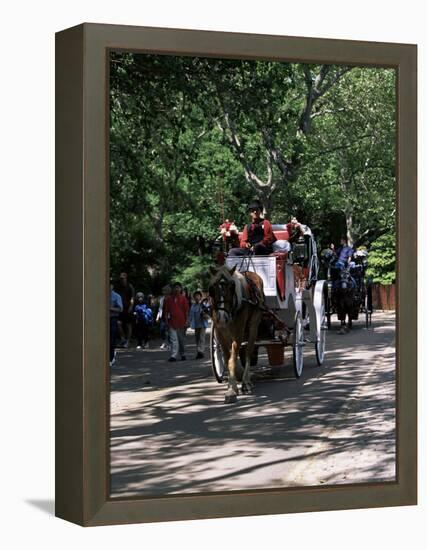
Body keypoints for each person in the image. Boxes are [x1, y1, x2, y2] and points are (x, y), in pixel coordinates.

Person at [163, 282, 189, 362]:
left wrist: (187, 321)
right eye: (175, 287)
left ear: (181, 289)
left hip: (181, 322)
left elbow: (186, 311)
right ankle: (173, 355)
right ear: (173, 289)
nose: (177, 289)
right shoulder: (168, 299)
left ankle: (183, 354)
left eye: (178, 287)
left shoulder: (183, 298)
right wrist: (166, 321)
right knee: (174, 340)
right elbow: (166, 311)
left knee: (181, 340)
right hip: (172, 322)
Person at [115, 272, 135, 348]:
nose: (121, 279)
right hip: (120, 308)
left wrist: (131, 306)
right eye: (120, 278)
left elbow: (132, 298)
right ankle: (123, 338)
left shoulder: (130, 286)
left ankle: (128, 341)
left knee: (128, 324)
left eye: (123, 278)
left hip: (128, 308)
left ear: (126, 278)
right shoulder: (118, 286)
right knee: (118, 323)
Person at [189, 291, 209, 359]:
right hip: (196, 325)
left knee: (201, 338)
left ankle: (201, 351)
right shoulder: (193, 306)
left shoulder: (203, 305)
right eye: (195, 296)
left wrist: (204, 314)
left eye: (198, 296)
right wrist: (188, 322)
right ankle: (199, 351)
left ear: (200, 297)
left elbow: (207, 313)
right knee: (197, 339)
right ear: (194, 298)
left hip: (203, 324)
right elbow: (191, 315)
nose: (197, 297)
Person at [109, 281, 123, 367]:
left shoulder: (116, 296)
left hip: (112, 318)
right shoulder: (100, 294)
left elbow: (120, 309)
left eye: (109, 285)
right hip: (102, 319)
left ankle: (110, 358)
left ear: (112, 286)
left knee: (111, 338)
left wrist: (110, 308)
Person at [156, 285, 171, 350]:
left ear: (168, 291)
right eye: (163, 290)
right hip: (162, 316)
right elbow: (160, 308)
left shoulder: (171, 299)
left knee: (169, 330)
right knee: (162, 330)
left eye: (164, 290)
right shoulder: (162, 299)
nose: (163, 292)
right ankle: (164, 342)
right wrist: (157, 316)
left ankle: (170, 344)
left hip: (170, 316)